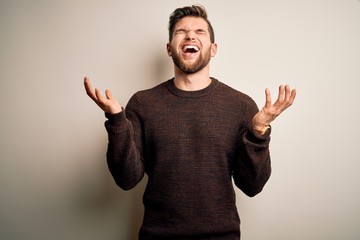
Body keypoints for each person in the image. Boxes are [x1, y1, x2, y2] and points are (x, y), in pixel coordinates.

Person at [84, 4, 296, 240]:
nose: (190, 35)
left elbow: (252, 186)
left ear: (213, 49)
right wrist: (117, 121)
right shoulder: (143, 103)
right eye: (181, 32)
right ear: (169, 48)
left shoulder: (241, 106)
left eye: (199, 31)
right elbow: (126, 179)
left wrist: (258, 130)